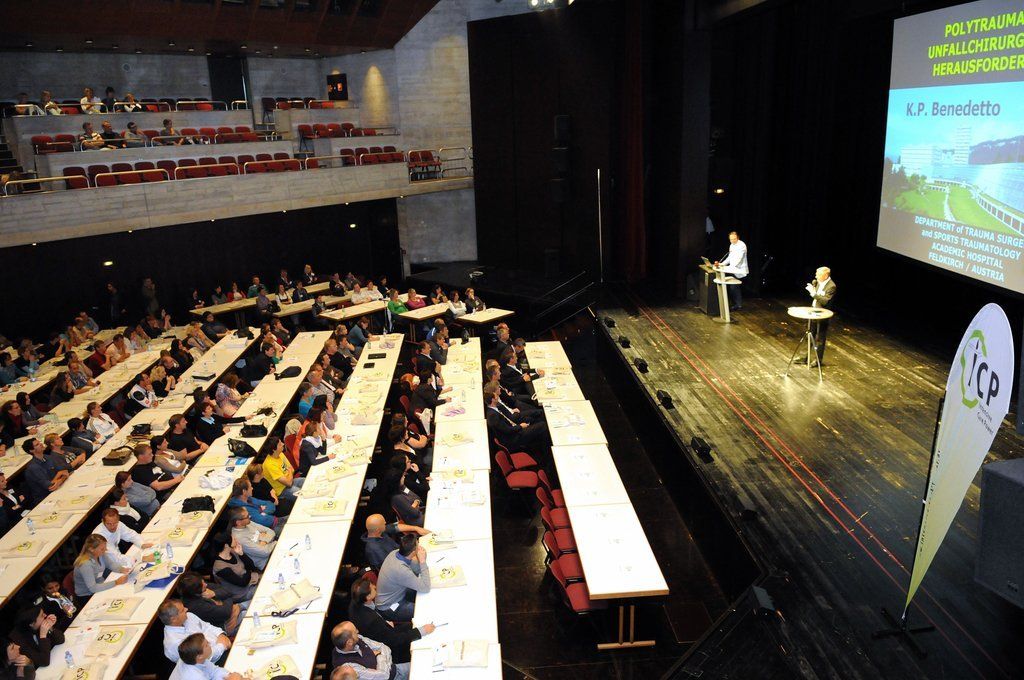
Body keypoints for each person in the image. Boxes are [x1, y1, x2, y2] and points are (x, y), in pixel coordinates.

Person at [348, 577, 433, 670]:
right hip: (392, 648)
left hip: (385, 631)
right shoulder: (372, 621)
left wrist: (384, 623)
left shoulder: (355, 601)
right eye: (372, 587)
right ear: (368, 597)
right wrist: (421, 631)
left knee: (410, 626)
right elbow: (394, 640)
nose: (375, 586)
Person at [374, 534, 431, 621]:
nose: (419, 546)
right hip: (389, 606)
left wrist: (421, 561)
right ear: (413, 552)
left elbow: (417, 569)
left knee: (423, 595)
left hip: (398, 593)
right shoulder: (401, 570)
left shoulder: (394, 553)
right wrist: (422, 561)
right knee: (424, 611)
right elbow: (425, 587)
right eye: (418, 545)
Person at [158, 600, 232, 664]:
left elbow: (207, 627)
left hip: (222, 643)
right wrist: (222, 646)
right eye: (182, 610)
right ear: (173, 619)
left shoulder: (189, 616)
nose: (186, 609)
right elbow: (204, 659)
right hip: (215, 663)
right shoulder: (174, 643)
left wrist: (221, 634)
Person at [176, 572, 242, 636]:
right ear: (196, 591)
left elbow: (227, 590)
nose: (206, 584)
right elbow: (226, 613)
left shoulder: (199, 587)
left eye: (204, 582)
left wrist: (214, 593)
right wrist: (227, 597)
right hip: (227, 624)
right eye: (203, 584)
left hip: (232, 608)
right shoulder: (196, 606)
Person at [330, 622, 399, 680]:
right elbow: (384, 676)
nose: (357, 631)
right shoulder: (347, 667)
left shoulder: (356, 638)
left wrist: (386, 666)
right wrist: (379, 655)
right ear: (349, 642)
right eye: (355, 631)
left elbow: (383, 647)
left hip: (395, 668)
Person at [360, 514, 429, 572]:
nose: (385, 523)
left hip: (405, 555)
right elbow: (394, 567)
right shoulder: (374, 549)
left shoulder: (377, 532)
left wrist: (416, 528)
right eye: (384, 523)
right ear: (378, 529)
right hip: (403, 567)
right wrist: (415, 557)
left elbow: (395, 527)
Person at [798, 266, 837, 367]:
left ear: (826, 276)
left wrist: (813, 293)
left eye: (818, 274)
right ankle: (803, 357)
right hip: (813, 312)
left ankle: (817, 361)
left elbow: (825, 301)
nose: (816, 276)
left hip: (822, 315)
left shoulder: (831, 286)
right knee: (809, 334)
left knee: (820, 338)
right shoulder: (818, 282)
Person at [209, 531, 260, 603]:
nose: (236, 540)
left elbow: (252, 566)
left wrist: (241, 554)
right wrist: (248, 570)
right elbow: (242, 583)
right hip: (242, 592)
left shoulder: (233, 551)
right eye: (233, 539)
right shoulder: (220, 567)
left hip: (252, 580)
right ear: (226, 545)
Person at [169, 633, 244, 680]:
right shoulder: (194, 676)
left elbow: (214, 671)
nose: (210, 644)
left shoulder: (194, 657)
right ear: (199, 656)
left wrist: (228, 676)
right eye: (206, 645)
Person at [22, 438, 70, 505]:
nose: (41, 444)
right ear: (31, 450)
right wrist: (60, 476)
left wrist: (60, 479)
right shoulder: (33, 467)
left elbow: (65, 472)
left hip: (59, 489)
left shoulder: (48, 457)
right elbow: (50, 486)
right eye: (37, 444)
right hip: (46, 499)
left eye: (39, 442)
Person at [713, 230, 748, 311]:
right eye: (731, 239)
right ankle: (736, 304)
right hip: (732, 269)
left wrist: (728, 268)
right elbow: (729, 258)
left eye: (734, 239)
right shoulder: (732, 245)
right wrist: (722, 264)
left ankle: (738, 304)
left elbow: (738, 259)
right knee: (733, 287)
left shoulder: (742, 245)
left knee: (734, 287)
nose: (732, 241)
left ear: (738, 238)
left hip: (739, 270)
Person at [261, 436, 304, 501]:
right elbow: (288, 483)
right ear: (274, 449)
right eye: (280, 444)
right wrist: (289, 473)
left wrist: (289, 475)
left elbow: (292, 469)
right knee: (302, 494)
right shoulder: (270, 465)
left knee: (307, 481)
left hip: (291, 480)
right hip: (282, 490)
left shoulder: (280, 454)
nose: (283, 444)